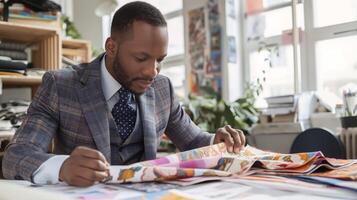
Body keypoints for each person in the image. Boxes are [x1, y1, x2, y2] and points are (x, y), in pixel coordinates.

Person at [2, 1, 245, 187]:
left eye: (159, 60)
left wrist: (217, 140)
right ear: (111, 47)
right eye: (141, 58)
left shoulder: (162, 89)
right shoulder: (61, 86)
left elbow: (193, 140)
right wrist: (62, 167)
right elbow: (17, 156)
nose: (153, 71)